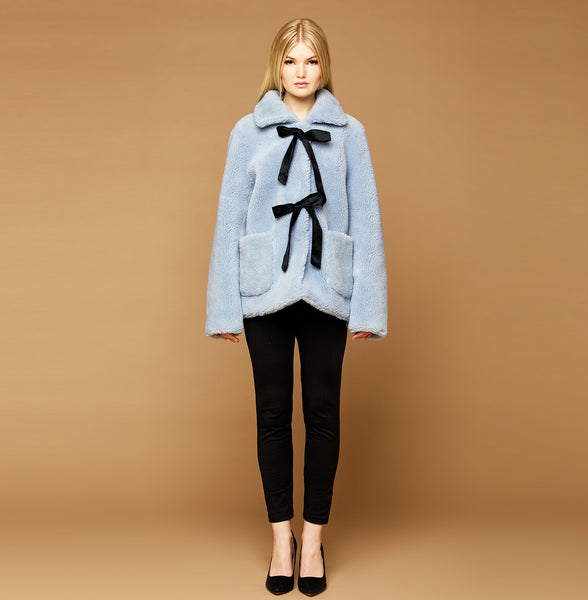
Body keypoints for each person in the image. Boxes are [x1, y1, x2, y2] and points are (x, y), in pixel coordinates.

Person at [205, 17, 387, 596]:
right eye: (290, 61)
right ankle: (280, 539)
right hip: (265, 289)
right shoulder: (247, 131)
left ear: (324, 66)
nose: (300, 72)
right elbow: (228, 219)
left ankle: (313, 540)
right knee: (272, 415)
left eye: (310, 61)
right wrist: (224, 308)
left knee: (323, 414)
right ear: (276, 66)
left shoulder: (350, 132)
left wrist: (368, 308)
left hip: (327, 287)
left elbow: (367, 219)